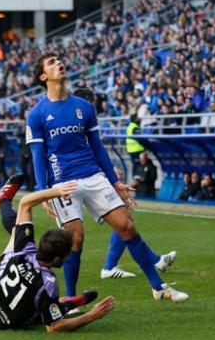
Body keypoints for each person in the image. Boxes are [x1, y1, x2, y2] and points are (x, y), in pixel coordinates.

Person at [27, 53, 188, 302]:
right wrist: (43, 192)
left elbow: (98, 147)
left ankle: (158, 287)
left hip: (93, 175)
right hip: (62, 183)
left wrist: (114, 180)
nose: (59, 63)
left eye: (60, 60)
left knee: (127, 226)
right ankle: (70, 298)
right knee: (75, 240)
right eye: (51, 63)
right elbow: (38, 154)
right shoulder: (37, 114)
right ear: (43, 76)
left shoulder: (84, 107)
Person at [0, 178, 115, 331]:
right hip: (7, 323)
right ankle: (63, 305)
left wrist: (57, 192)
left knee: (15, 234)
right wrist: (93, 315)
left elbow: (25, 202)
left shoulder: (26, 248)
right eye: (67, 256)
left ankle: (3, 200)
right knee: (43, 308)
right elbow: (54, 328)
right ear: (57, 259)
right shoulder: (49, 283)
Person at [70, 87, 173, 281]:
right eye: (92, 103)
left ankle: (152, 261)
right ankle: (110, 267)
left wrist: (109, 172)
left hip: (89, 177)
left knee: (123, 217)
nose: (95, 108)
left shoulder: (80, 121)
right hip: (81, 179)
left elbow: (94, 149)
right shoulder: (78, 121)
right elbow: (85, 152)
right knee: (76, 236)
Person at [126, 114, 145, 179]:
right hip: (137, 149)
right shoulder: (135, 127)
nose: (139, 119)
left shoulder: (130, 126)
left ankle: (135, 181)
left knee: (135, 165)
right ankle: (138, 182)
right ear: (134, 119)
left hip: (131, 149)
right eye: (137, 118)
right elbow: (140, 138)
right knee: (139, 166)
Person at [17, 118, 34, 191]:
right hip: (23, 153)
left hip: (30, 152)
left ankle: (31, 186)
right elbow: (18, 134)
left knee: (30, 171)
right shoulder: (20, 130)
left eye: (23, 123)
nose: (22, 124)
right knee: (23, 170)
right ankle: (27, 186)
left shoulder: (29, 130)